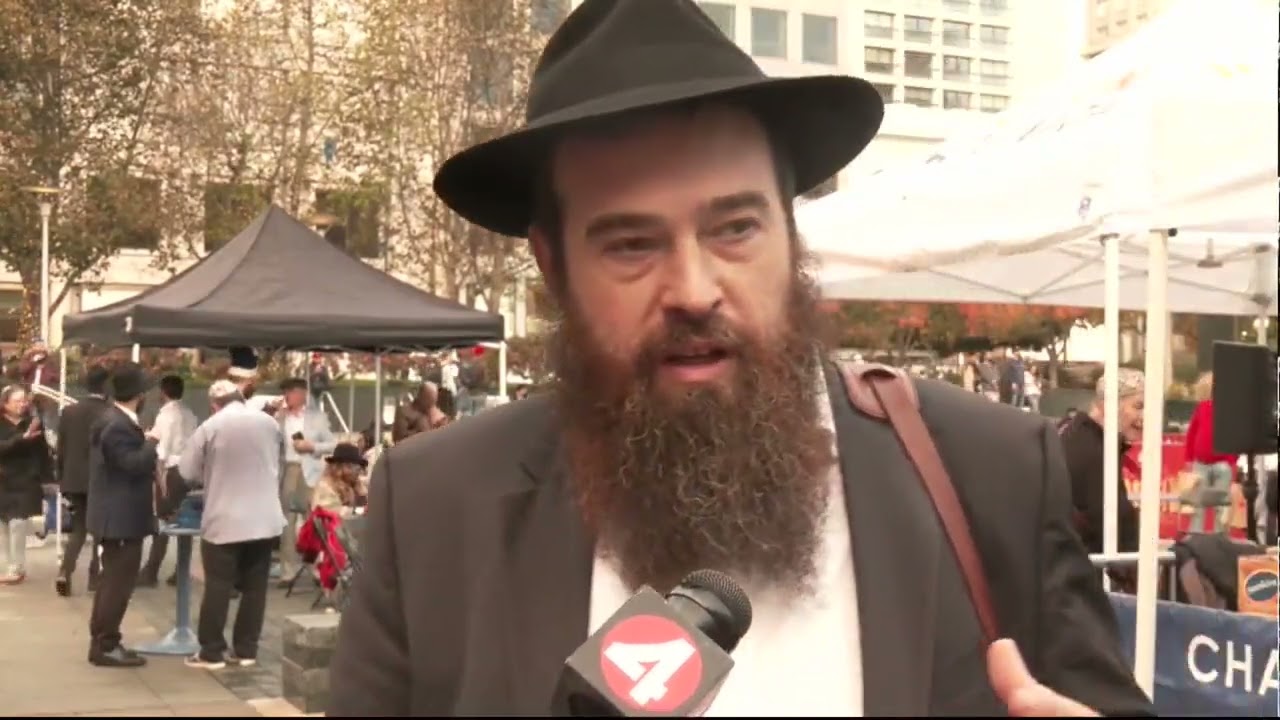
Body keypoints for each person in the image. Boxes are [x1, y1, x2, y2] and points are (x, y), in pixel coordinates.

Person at [328, 1, 1151, 717]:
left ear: (789, 235)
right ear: (554, 268)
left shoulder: (990, 472)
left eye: (735, 228)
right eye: (631, 243)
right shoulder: (438, 508)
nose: (694, 288)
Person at [179, 380, 286, 670]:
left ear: (215, 404)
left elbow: (187, 471)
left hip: (224, 518)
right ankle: (246, 649)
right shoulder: (270, 424)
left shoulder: (210, 427)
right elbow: (281, 464)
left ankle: (212, 651)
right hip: (265, 518)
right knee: (255, 587)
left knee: (218, 585)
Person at [85, 362, 159, 668]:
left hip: (116, 516)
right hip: (120, 518)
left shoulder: (114, 419)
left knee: (110, 583)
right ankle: (106, 644)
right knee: (117, 584)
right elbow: (132, 464)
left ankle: (103, 640)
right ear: (138, 395)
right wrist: (152, 442)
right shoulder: (117, 424)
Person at [1058, 369, 1144, 557]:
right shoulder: (1095, 452)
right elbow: (1116, 528)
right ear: (1107, 405)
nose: (1145, 416)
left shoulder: (1071, 431)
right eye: (1138, 406)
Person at [55, 364, 111, 595]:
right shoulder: (109, 413)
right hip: (100, 480)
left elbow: (61, 448)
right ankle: (94, 576)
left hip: (74, 479)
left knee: (78, 529)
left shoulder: (69, 412)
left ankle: (64, 571)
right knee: (100, 530)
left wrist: (61, 478)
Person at [139, 374, 199, 587]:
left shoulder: (165, 416)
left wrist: (159, 478)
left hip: (170, 471)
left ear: (163, 392)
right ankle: (180, 571)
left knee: (162, 521)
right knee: (185, 523)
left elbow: (161, 451)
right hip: (187, 470)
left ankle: (151, 571)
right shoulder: (190, 414)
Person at [275, 377, 336, 583]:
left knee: (315, 521)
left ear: (302, 393)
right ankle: (288, 571)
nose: (287, 395)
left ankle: (317, 567)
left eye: (290, 391)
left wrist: (312, 446)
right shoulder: (279, 417)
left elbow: (331, 444)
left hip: (311, 470)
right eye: (285, 391)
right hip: (289, 469)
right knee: (287, 522)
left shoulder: (317, 417)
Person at [0, 385, 53, 585]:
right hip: (4, 479)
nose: (22, 404)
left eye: (24, 400)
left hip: (26, 480)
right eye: (17, 401)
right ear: (5, 403)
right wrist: (21, 438)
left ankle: (17, 567)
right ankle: (11, 564)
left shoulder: (33, 423)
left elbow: (43, 452)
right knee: (5, 524)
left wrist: (49, 479)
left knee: (18, 523)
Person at [1183, 371, 1236, 534]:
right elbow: (1192, 434)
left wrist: (1230, 460)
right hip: (1203, 463)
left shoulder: (1228, 410)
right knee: (1199, 504)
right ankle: (1197, 536)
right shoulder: (1202, 408)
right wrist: (1189, 458)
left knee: (1220, 505)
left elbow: (1233, 434)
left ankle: (1218, 538)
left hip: (1219, 463)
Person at [311, 442, 368, 519]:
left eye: (358, 468)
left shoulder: (355, 484)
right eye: (354, 467)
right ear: (341, 467)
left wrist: (362, 495)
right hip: (330, 529)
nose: (357, 472)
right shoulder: (325, 486)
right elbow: (333, 511)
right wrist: (360, 510)